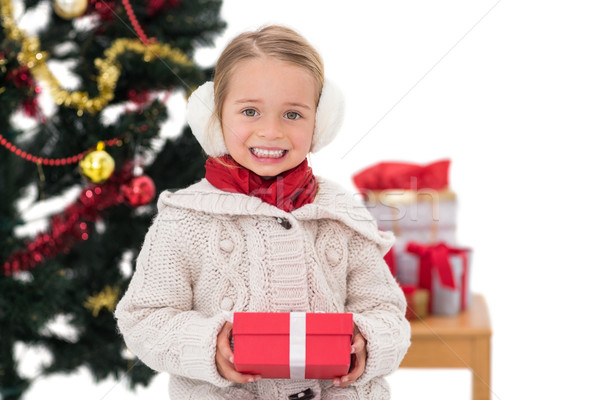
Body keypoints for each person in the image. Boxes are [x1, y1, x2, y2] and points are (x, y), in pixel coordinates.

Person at [115, 25, 410, 400]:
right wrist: (207, 346)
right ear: (215, 117)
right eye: (250, 111)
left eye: (293, 114)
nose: (271, 131)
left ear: (320, 120)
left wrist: (369, 341)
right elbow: (143, 318)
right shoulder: (183, 219)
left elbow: (385, 310)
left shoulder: (340, 214)